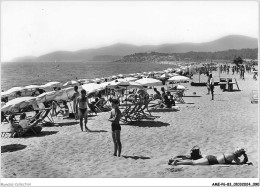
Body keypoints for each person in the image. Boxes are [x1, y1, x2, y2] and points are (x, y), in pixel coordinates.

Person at [171, 148, 249, 166]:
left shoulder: (231, 154)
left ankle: (176, 161)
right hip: (212, 160)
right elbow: (240, 164)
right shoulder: (233, 156)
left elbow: (238, 162)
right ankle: (177, 162)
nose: (241, 155)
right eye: (241, 154)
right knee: (193, 163)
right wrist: (245, 156)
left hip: (211, 157)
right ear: (239, 153)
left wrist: (244, 156)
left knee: (194, 161)